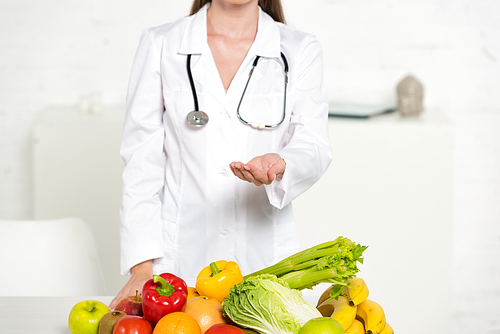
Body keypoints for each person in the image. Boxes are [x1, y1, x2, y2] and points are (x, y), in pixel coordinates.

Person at [110, 0, 332, 308]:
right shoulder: (161, 44)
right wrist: (142, 266)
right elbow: (140, 164)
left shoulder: (298, 48)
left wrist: (282, 164)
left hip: (264, 261)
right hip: (177, 267)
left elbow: (314, 145)